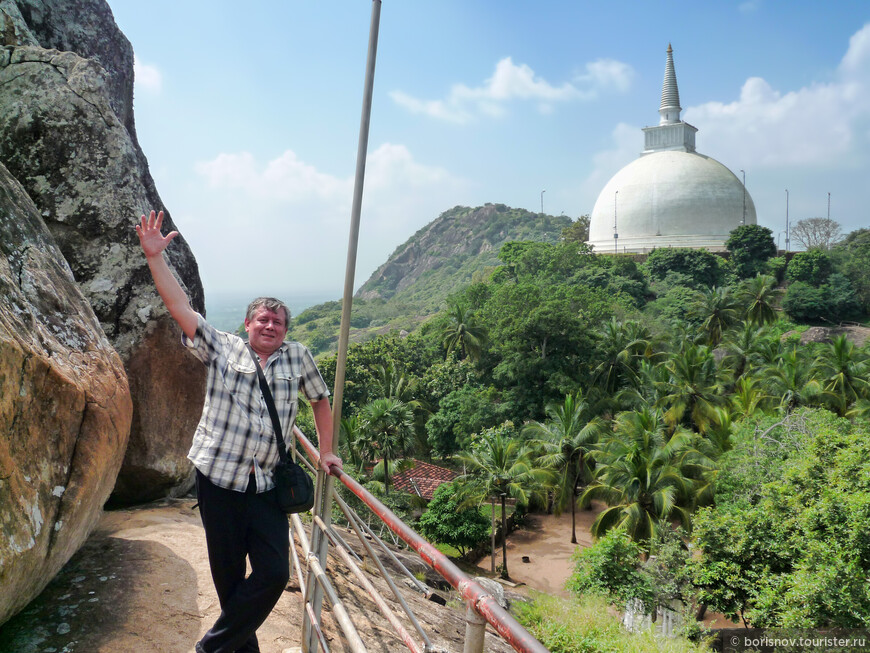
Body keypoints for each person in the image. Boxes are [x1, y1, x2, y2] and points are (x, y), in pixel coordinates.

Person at [135, 210, 342, 653]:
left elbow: (320, 400)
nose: (270, 326)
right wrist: (156, 258)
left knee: (273, 573)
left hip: (267, 484)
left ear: (286, 331)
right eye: (263, 320)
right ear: (248, 324)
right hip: (219, 481)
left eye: (278, 322)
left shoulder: (298, 357)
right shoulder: (223, 348)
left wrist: (326, 451)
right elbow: (179, 306)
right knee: (228, 579)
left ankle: (210, 648)